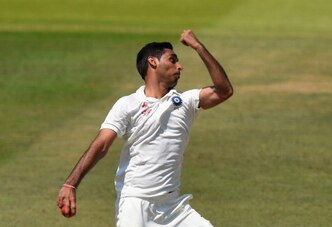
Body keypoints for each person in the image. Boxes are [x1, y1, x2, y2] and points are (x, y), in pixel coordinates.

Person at [56, 29, 233, 226]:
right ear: (153, 62)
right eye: (172, 60)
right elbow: (102, 145)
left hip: (173, 207)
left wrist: (198, 47)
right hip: (135, 204)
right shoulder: (128, 104)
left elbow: (224, 91)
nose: (180, 66)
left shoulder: (186, 101)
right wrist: (70, 183)